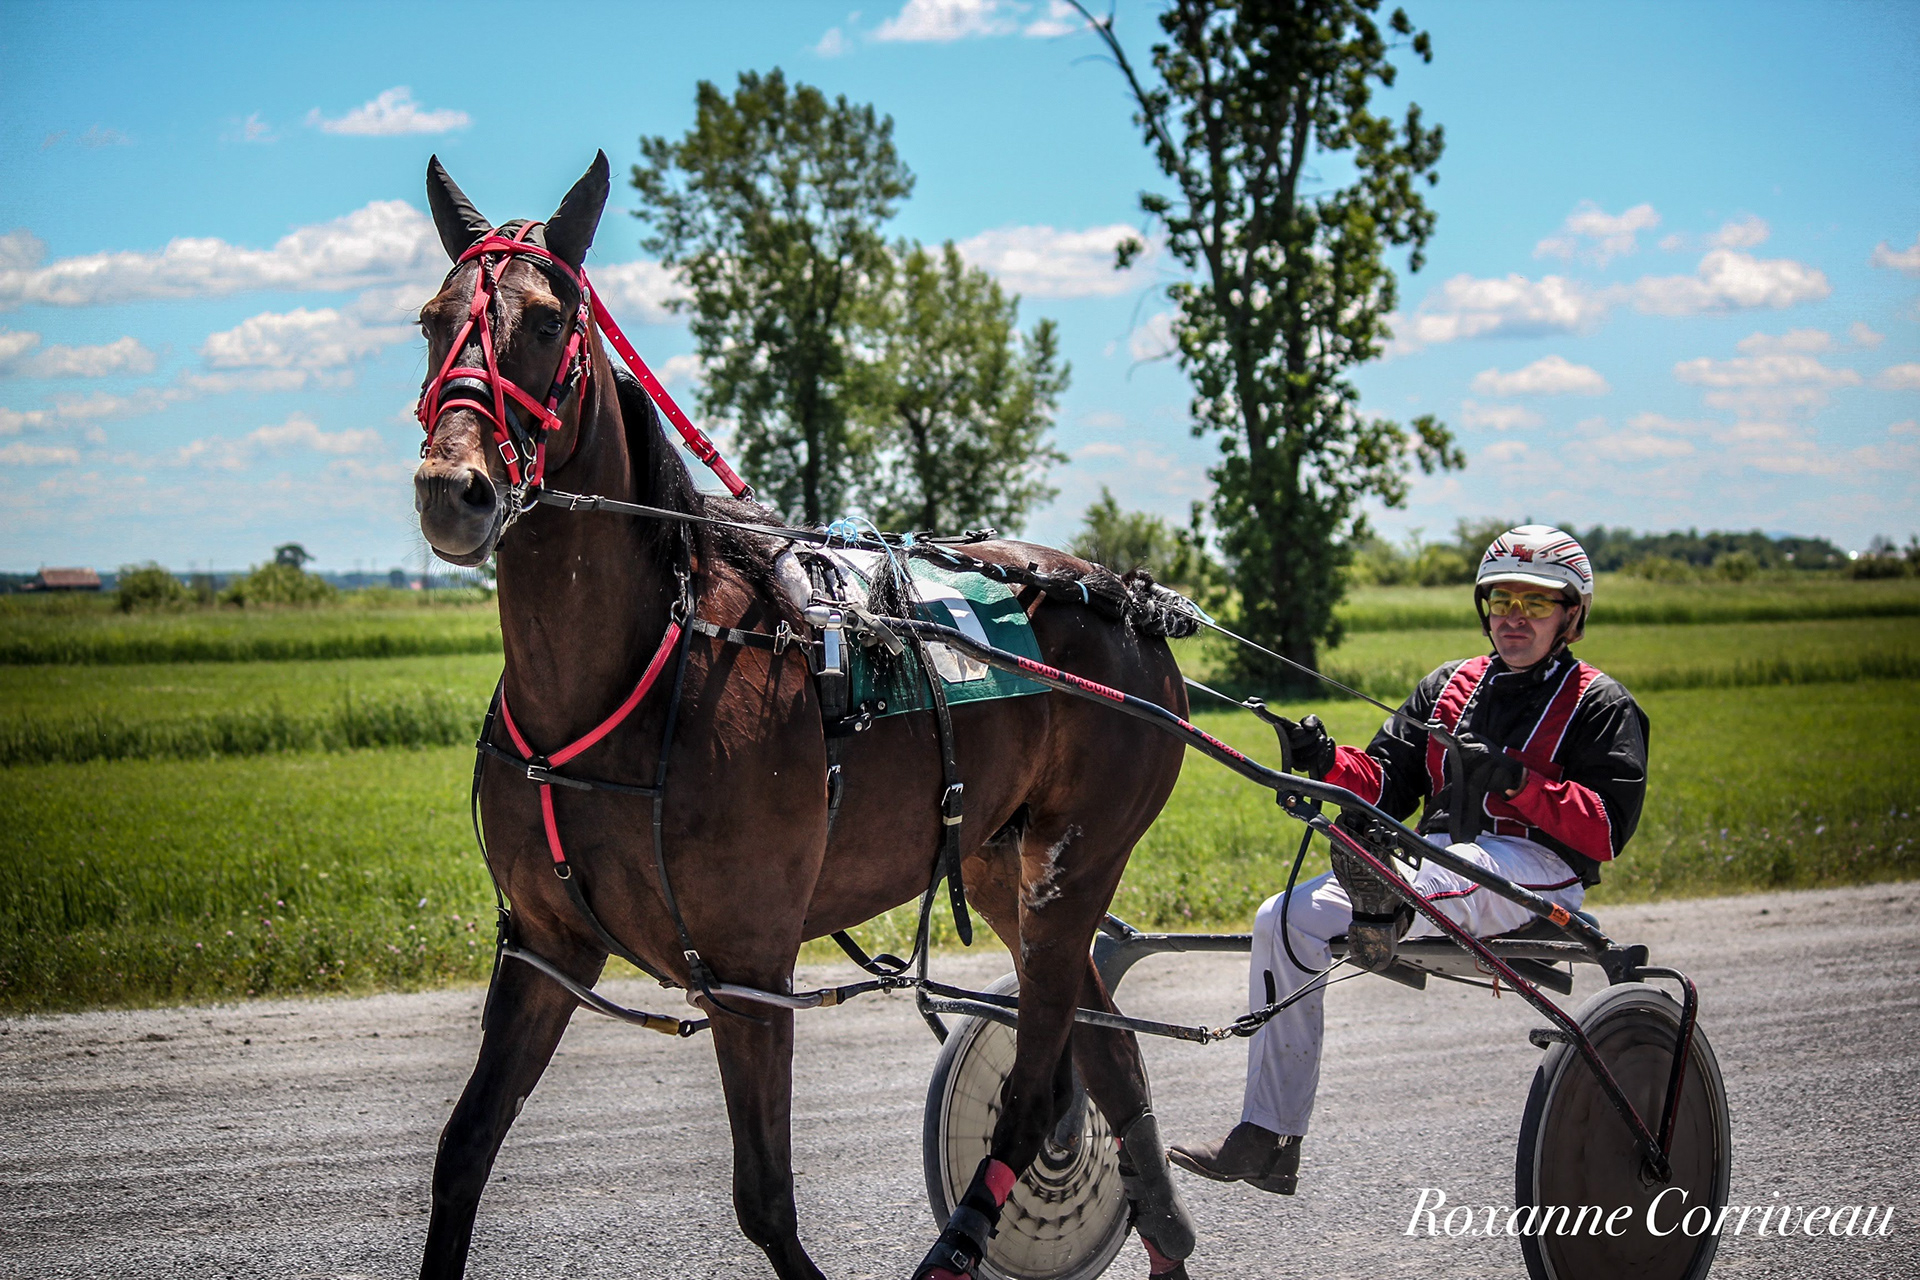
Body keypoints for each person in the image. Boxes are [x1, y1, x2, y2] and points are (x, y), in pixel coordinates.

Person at [1167, 525, 1650, 1194]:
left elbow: (1606, 830)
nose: (1515, 616)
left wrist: (1518, 785)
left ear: (1571, 615)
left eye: (1535, 604)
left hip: (1538, 871)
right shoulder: (1448, 687)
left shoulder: (1600, 704)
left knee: (1427, 876)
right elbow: (1386, 782)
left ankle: (1385, 903)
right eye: (1504, 599)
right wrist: (1326, 759)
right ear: (1486, 607)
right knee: (1280, 918)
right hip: (1435, 862)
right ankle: (1268, 1137)